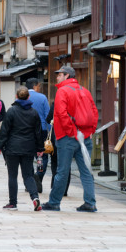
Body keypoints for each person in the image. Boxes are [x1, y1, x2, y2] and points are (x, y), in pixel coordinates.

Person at [41, 65, 98, 212]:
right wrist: (90, 130)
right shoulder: (85, 91)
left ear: (67, 76)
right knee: (86, 171)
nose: (57, 77)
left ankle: (54, 202)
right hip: (85, 136)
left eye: (59, 74)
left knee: (62, 171)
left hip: (67, 137)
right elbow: (94, 111)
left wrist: (71, 131)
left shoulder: (62, 91)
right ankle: (90, 202)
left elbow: (60, 113)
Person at [0, 87, 44, 211]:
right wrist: (40, 148)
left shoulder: (11, 111)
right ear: (28, 97)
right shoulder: (34, 113)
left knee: (12, 175)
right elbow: (38, 133)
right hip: (28, 147)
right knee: (28, 175)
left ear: (16, 97)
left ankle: (13, 203)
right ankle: (35, 198)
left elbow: (4, 130)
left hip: (12, 147)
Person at [26, 79, 51, 193]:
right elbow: (48, 116)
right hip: (41, 129)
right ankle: (38, 176)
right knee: (42, 156)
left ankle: (30, 181)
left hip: (26, 129)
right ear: (35, 86)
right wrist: (50, 132)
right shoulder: (42, 98)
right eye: (39, 85)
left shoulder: (23, 96)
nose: (40, 88)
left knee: (28, 157)